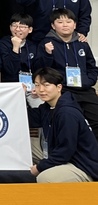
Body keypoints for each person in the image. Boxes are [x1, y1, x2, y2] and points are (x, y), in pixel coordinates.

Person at [28, 67, 98, 183]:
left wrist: (39, 168)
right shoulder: (48, 107)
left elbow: (65, 151)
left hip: (81, 164)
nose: (41, 90)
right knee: (25, 146)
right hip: (58, 155)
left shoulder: (67, 113)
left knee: (45, 178)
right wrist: (19, 94)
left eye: (46, 85)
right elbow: (27, 118)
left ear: (59, 87)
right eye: (37, 85)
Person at [39, 9, 98, 143]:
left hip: (85, 89)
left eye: (69, 21)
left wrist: (89, 81)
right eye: (60, 22)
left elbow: (91, 66)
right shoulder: (47, 43)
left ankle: (92, 150)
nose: (65, 25)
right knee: (68, 121)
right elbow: (43, 70)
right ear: (53, 26)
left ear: (75, 25)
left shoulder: (82, 42)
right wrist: (48, 54)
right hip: (63, 90)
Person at [0, 13, 42, 107]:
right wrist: (15, 48)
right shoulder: (3, 43)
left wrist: (37, 86)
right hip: (11, 85)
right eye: (14, 25)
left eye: (22, 26)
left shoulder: (32, 46)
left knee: (40, 103)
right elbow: (10, 69)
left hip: (29, 85)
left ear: (30, 30)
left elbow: (37, 69)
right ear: (10, 27)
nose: (17, 29)